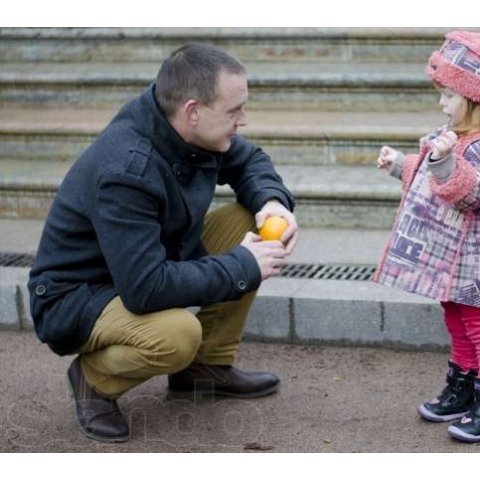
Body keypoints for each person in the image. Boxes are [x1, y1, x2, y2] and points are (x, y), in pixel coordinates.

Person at [28, 44, 298, 443]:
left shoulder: (184, 128)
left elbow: (248, 160)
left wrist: (271, 202)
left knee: (247, 218)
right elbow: (146, 288)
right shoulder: (126, 169)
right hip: (78, 294)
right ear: (193, 110)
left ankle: (203, 369)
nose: (244, 119)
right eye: (234, 111)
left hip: (138, 264)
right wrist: (244, 264)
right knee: (177, 335)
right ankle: (93, 381)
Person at [374, 31, 480, 443]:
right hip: (450, 257)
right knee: (456, 320)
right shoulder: (462, 138)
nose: (441, 104)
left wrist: (442, 160)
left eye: (448, 96)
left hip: (476, 259)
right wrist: (400, 164)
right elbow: (430, 184)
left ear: (474, 98)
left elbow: (472, 194)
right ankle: (464, 386)